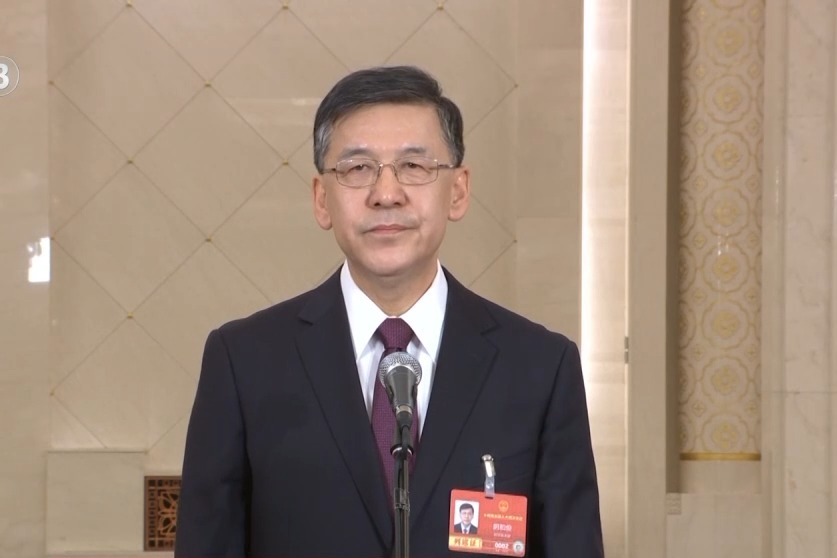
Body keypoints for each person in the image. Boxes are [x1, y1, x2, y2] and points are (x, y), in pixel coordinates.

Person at [175, 65, 603, 557]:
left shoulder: (540, 369)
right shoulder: (244, 362)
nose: (385, 193)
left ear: (458, 191)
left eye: (414, 166)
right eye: (357, 168)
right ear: (321, 199)